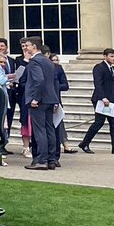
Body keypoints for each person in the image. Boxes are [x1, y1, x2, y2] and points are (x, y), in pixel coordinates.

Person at [80, 48, 114, 154]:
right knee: (99, 122)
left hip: (112, 99)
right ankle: (85, 143)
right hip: (101, 99)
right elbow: (98, 83)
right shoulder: (99, 68)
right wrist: (103, 97)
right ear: (105, 56)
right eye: (111, 56)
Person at [20, 36, 60, 170]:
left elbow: (39, 81)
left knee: (40, 130)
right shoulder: (48, 61)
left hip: (39, 100)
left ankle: (42, 160)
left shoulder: (34, 62)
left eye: (28, 45)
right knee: (50, 129)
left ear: (34, 47)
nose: (26, 48)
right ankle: (52, 159)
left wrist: (35, 98)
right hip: (50, 99)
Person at [49, 50, 75, 153]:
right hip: (47, 99)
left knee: (59, 122)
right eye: (53, 60)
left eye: (57, 60)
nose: (55, 62)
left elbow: (65, 85)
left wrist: (55, 87)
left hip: (57, 99)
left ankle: (65, 144)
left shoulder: (59, 68)